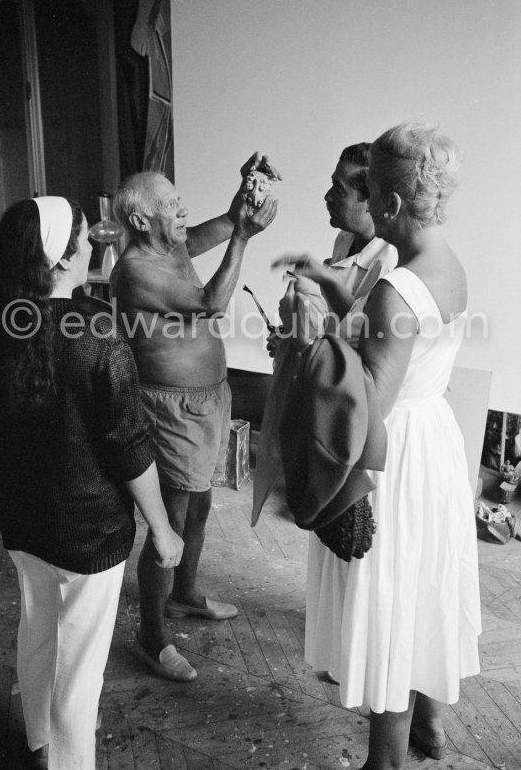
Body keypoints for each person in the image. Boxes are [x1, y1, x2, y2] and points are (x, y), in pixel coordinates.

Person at [273, 123, 481, 769]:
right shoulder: (446, 264)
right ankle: (425, 725)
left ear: (389, 206)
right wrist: (336, 288)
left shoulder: (395, 286)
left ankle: (382, 762)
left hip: (393, 454)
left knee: (389, 605)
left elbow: (367, 398)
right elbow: (398, 333)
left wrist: (309, 344)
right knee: (416, 592)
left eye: (374, 195)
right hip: (433, 439)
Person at [0, 197, 183, 770]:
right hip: (87, 534)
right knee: (80, 672)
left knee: (38, 627)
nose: (94, 234)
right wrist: (163, 528)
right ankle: (68, 760)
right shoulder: (95, 333)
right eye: (85, 234)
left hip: (20, 519)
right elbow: (128, 445)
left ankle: (38, 741)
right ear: (64, 257)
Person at [110, 159, 278, 682]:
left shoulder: (170, 243)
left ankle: (183, 595)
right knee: (173, 522)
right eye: (169, 205)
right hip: (171, 409)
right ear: (141, 222)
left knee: (199, 507)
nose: (181, 210)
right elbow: (211, 303)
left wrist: (242, 197)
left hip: (208, 399)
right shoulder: (136, 269)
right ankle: (151, 638)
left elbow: (225, 222)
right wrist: (245, 240)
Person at [253, 144, 397, 525]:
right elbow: (338, 319)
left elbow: (362, 343)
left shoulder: (388, 263)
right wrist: (292, 335)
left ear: (371, 201)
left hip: (357, 405)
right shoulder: (344, 242)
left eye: (339, 189)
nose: (327, 196)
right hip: (332, 384)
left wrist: (303, 339)